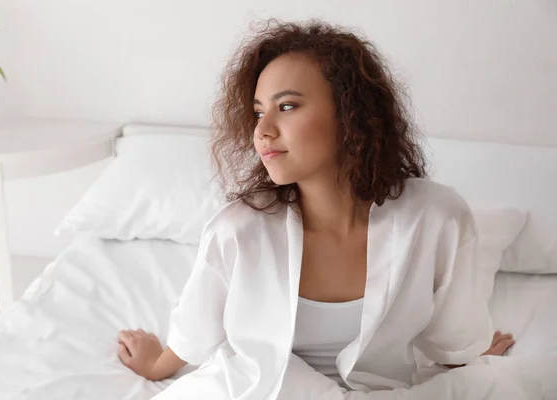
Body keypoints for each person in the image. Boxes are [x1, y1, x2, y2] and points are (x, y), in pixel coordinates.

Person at [116, 19, 515, 398]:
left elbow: (454, 338)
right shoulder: (238, 229)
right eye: (258, 112)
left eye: (286, 106)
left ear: (351, 113)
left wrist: (473, 361)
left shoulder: (436, 218)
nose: (262, 131)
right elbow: (196, 331)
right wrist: (157, 365)